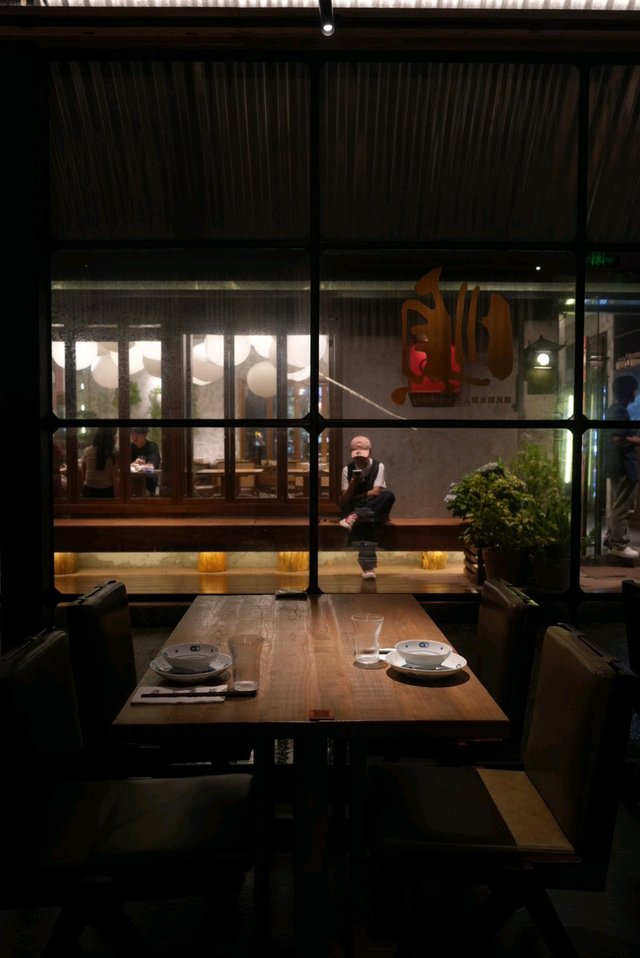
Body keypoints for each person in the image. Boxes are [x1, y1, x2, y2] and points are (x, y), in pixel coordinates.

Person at [339, 435, 395, 579]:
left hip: (371, 507)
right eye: (356, 456)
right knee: (365, 519)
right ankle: (368, 568)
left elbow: (377, 492)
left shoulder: (378, 466)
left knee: (388, 495)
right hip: (362, 509)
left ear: (370, 452)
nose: (359, 459)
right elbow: (345, 500)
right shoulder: (347, 470)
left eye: (362, 456)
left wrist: (357, 497)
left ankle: (355, 516)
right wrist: (353, 484)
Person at [603, 374, 640, 558]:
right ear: (628, 392)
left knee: (619, 504)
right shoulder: (619, 411)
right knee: (623, 506)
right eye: (634, 390)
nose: (635, 393)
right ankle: (618, 543)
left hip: (619, 465)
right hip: (624, 465)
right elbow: (618, 437)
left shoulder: (615, 410)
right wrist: (636, 440)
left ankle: (612, 539)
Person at [81, 427, 119, 498]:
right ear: (110, 438)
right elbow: (114, 476)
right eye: (114, 435)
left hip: (88, 491)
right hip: (106, 491)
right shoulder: (114, 452)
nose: (116, 437)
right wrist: (117, 496)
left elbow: (83, 473)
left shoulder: (87, 451)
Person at [130, 426, 161, 495]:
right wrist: (134, 464)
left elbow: (150, 468)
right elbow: (124, 467)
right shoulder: (130, 447)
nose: (134, 438)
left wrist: (135, 466)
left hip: (149, 483)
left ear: (145, 435)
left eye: (137, 435)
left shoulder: (152, 446)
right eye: (132, 435)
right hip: (132, 483)